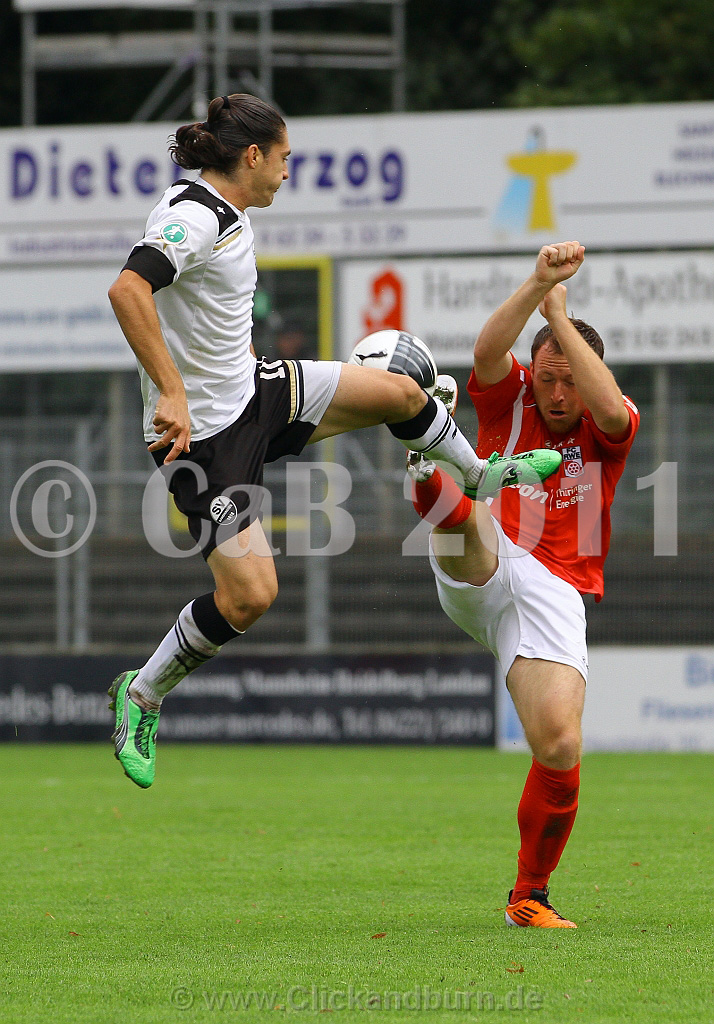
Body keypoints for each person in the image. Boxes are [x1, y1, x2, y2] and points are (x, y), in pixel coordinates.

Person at [107, 93, 561, 789]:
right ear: (252, 156)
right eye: (283, 157)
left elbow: (202, 315)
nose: (288, 171)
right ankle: (142, 694)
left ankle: (476, 476)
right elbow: (128, 290)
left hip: (257, 392)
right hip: (203, 440)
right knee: (250, 596)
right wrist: (171, 390)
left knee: (403, 393)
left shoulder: (229, 212)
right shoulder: (195, 216)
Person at [407, 241, 639, 928]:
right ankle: (429, 476)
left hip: (556, 590)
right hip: (493, 551)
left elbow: (609, 410)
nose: (557, 394)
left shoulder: (610, 422)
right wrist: (538, 284)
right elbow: (487, 352)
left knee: (560, 745)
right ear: (530, 375)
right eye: (546, 379)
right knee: (472, 529)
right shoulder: (510, 398)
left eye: (569, 380)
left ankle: (528, 897)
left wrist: (560, 317)